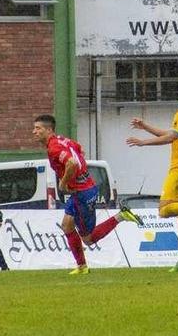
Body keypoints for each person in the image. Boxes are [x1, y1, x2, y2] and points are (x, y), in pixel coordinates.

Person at [33, 114, 144, 275]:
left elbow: (71, 162)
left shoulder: (54, 147)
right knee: (67, 225)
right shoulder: (63, 140)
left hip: (83, 193)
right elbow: (80, 150)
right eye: (34, 128)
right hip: (83, 189)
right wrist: (80, 174)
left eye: (38, 128)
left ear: (49, 129)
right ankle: (82, 266)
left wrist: (64, 182)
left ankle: (121, 216)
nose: (34, 132)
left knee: (89, 239)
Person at [126, 82, 178, 273]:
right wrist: (145, 126)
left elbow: (170, 137)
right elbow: (171, 134)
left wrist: (143, 143)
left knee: (164, 210)